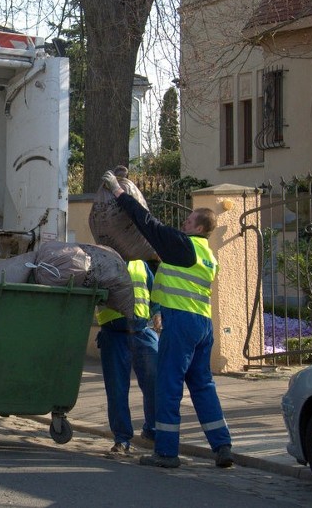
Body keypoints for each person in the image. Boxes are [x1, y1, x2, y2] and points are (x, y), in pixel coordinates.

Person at [101, 169, 233, 469]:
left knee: (168, 384)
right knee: (203, 385)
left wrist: (119, 194)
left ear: (198, 226)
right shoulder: (207, 255)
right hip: (203, 325)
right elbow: (169, 278)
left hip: (182, 324)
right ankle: (222, 446)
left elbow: (149, 225)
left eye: (188, 221)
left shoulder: (183, 245)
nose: (182, 223)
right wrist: (158, 307)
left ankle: (166, 452)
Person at [96, 259, 159, 454]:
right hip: (113, 334)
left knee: (155, 383)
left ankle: (153, 430)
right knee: (117, 389)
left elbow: (154, 291)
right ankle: (122, 439)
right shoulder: (101, 264)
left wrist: (157, 312)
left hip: (142, 331)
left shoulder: (141, 265)